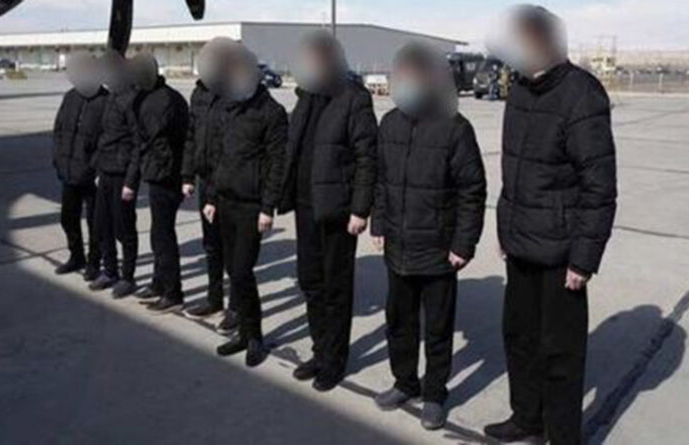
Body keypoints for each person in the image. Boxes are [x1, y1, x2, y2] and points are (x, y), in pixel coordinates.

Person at [483, 5, 617, 444]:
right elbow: (513, 170)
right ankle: (527, 418)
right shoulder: (519, 90)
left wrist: (583, 260)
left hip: (561, 254)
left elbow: (599, 186)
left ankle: (561, 435)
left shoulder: (582, 95)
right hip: (521, 243)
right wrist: (505, 229)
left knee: (560, 352)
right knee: (519, 338)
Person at [370, 42, 487, 430]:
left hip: (438, 250)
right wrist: (378, 224)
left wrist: (463, 244)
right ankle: (405, 382)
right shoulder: (390, 124)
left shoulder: (455, 128)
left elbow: (472, 191)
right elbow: (382, 181)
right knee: (399, 323)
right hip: (398, 248)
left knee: (437, 329)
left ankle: (435, 394)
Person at [278, 30, 378, 391]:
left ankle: (334, 361)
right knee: (310, 281)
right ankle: (320, 351)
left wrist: (360, 209)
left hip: (338, 211)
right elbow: (292, 150)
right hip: (305, 207)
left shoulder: (354, 99)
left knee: (336, 288)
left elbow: (368, 157)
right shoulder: (306, 98)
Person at [205, 42, 288, 367]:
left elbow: (277, 164)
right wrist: (212, 197)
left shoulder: (271, 113)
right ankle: (242, 332)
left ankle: (255, 337)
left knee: (242, 271)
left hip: (252, 206)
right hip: (225, 201)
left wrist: (268, 207)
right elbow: (219, 156)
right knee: (232, 270)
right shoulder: (228, 107)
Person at [179, 38, 241, 334]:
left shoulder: (237, 94)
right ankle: (214, 298)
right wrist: (187, 176)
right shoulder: (200, 93)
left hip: (228, 185)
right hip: (205, 180)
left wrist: (215, 195)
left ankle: (236, 308)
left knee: (232, 250)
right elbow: (191, 136)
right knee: (211, 245)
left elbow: (231, 149)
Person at [126, 53, 189, 312]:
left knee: (163, 236)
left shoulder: (163, 101)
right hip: (158, 174)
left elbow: (156, 142)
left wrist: (150, 170)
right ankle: (159, 282)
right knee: (157, 233)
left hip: (166, 177)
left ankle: (173, 292)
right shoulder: (150, 97)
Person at [88, 50, 141, 298]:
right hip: (106, 171)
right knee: (102, 225)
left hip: (122, 174)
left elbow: (138, 144)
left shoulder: (132, 100)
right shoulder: (111, 97)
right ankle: (110, 271)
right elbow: (105, 135)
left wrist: (131, 181)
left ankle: (128, 277)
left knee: (124, 229)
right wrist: (98, 168)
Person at [51, 52, 108, 281]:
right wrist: (58, 159)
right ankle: (76, 256)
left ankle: (94, 261)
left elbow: (107, 139)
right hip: (69, 172)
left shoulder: (105, 101)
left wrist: (95, 168)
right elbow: (58, 130)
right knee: (68, 218)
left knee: (95, 223)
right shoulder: (70, 97)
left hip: (90, 175)